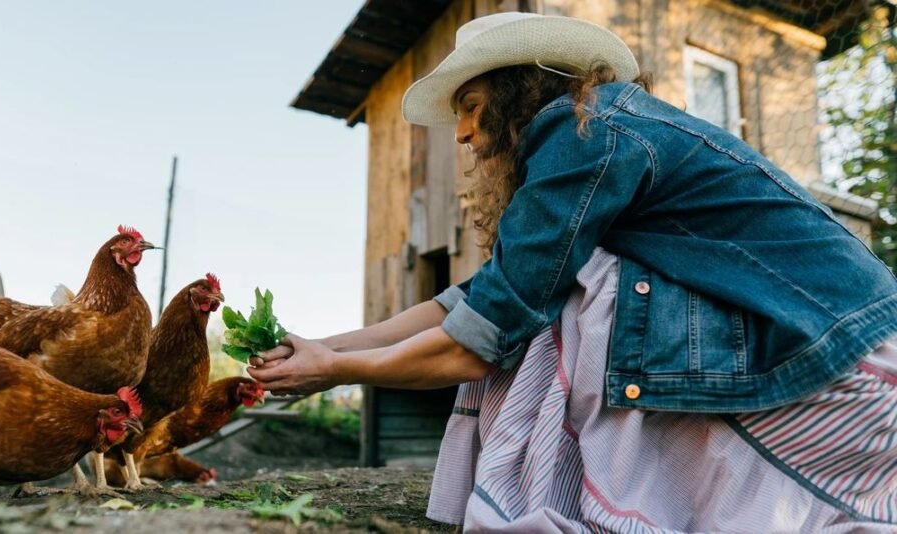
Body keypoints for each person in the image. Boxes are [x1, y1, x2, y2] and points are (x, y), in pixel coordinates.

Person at [249, 12, 897, 531]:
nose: (462, 133)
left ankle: (573, 491)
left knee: (565, 306)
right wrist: (323, 346)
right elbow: (473, 299)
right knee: (549, 292)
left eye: (472, 105)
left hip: (846, 357)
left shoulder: (585, 132)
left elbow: (482, 337)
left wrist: (337, 371)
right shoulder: (601, 127)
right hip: (827, 332)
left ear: (515, 91)